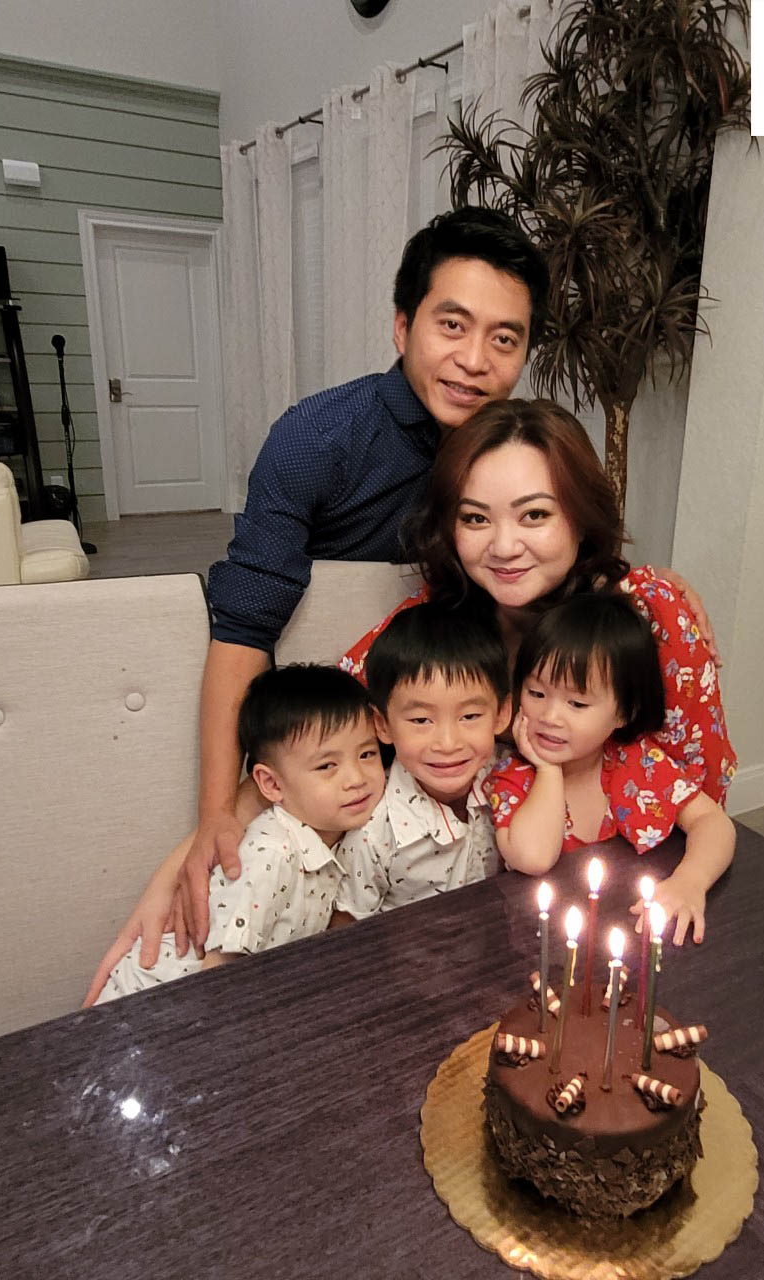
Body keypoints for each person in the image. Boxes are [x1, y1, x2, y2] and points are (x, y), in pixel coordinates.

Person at [186, 206, 550, 949]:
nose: (474, 359)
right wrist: (217, 811)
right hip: (335, 736)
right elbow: (244, 627)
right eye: (452, 325)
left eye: (504, 338)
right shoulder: (315, 440)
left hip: (451, 733)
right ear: (402, 326)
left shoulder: (513, 453)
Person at [341, 399, 736, 811]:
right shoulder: (441, 610)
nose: (504, 547)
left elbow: (703, 779)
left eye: (534, 515)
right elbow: (334, 708)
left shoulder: (652, 614)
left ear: (581, 517)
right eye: (475, 518)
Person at [93, 666, 385, 1002]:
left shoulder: (340, 838)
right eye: (326, 766)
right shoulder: (272, 853)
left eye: (367, 754)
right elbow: (218, 975)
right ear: (271, 784)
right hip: (155, 1003)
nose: (356, 779)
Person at [486, 592, 735, 945]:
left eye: (577, 703)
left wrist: (690, 881)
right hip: (539, 946)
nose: (549, 716)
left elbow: (713, 822)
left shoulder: (633, 762)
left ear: (623, 712)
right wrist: (548, 771)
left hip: (622, 934)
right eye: (536, 693)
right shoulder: (513, 777)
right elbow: (534, 858)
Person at [332, 603, 511, 922]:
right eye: (420, 720)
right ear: (382, 725)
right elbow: (346, 927)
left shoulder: (513, 779)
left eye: (470, 716)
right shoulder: (373, 831)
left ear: (501, 714)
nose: (448, 743)